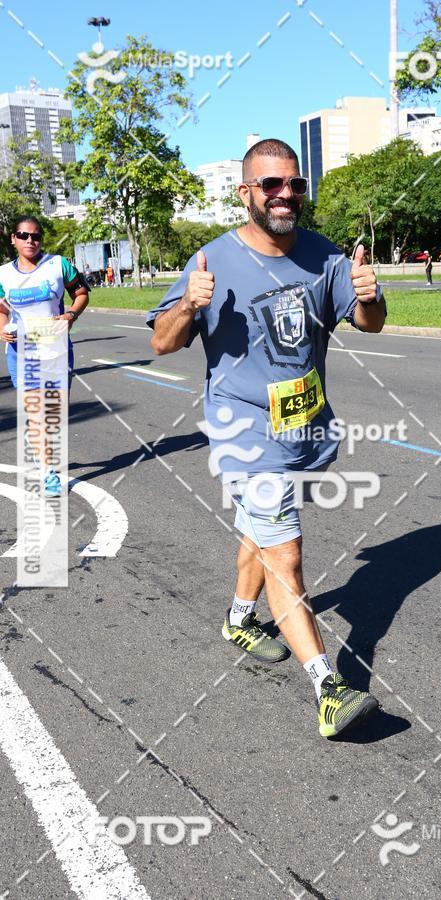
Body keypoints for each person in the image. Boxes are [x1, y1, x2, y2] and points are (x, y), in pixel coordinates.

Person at [148, 138, 386, 738]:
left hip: (302, 424)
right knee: (287, 552)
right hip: (245, 430)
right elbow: (162, 343)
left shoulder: (323, 255)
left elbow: (367, 323)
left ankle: (238, 618)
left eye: (294, 185)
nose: (285, 195)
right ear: (246, 192)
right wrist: (187, 308)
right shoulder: (212, 259)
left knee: (261, 528)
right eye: (272, 185)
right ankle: (328, 688)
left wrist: (369, 295)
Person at [0, 215, 89, 495]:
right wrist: (2, 330)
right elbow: (2, 309)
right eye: (23, 235)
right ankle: (49, 471)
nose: (30, 241)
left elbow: (82, 292)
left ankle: (43, 456)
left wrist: (71, 314)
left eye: (35, 236)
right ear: (13, 239)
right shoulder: (3, 274)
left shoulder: (58, 264)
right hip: (21, 350)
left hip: (55, 349)